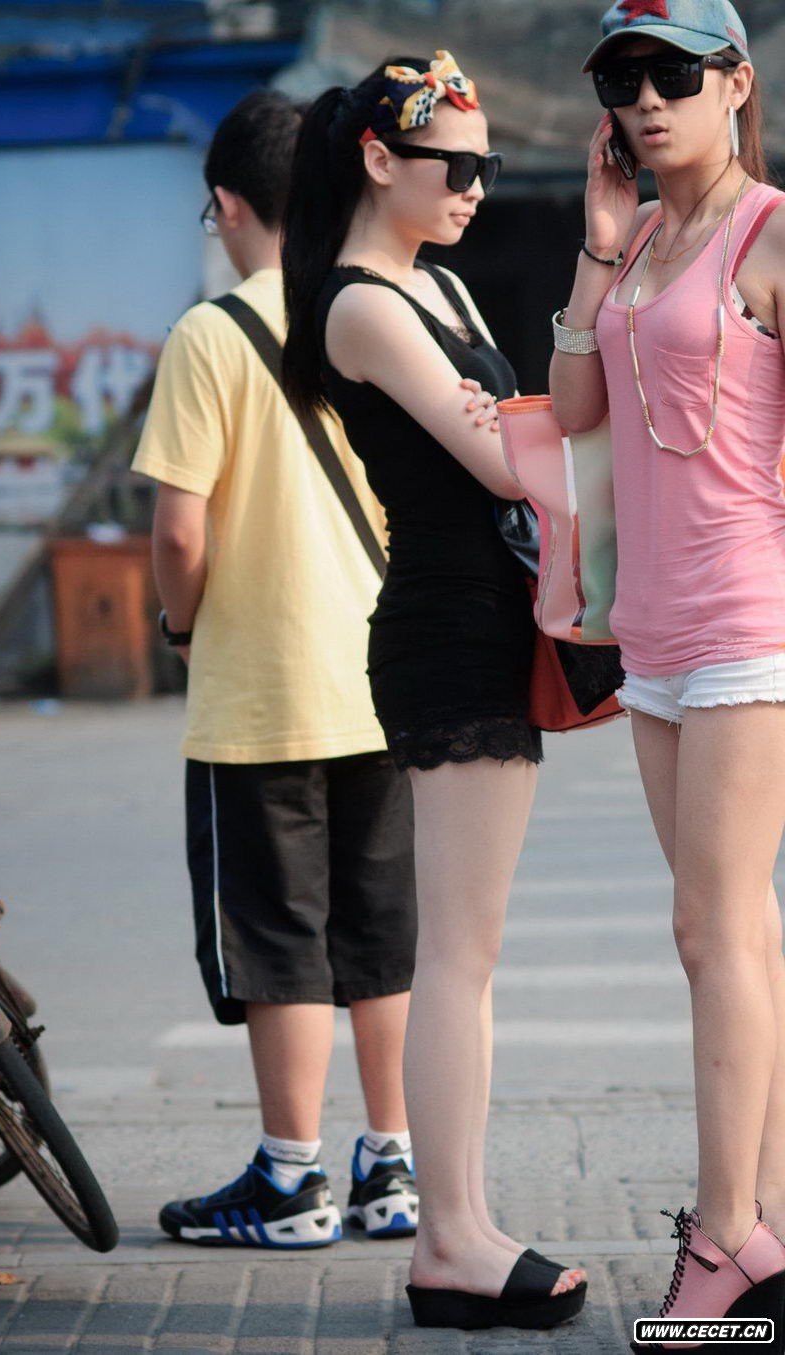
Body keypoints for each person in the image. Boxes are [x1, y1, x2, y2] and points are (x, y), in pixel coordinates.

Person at [281, 52, 587, 1330]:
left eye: (484, 166)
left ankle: (463, 1221)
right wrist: (510, 422)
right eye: (452, 164)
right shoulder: (358, 304)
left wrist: (513, 417)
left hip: (486, 622)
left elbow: (523, 425)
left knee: (472, 949)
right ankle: (448, 1238)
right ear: (375, 158)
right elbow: (508, 459)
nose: (473, 186)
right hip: (442, 632)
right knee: (454, 953)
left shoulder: (439, 284)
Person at [131, 89, 420, 1250]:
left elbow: (178, 533)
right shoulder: (377, 308)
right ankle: (391, 1162)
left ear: (230, 204)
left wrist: (181, 626)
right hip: (384, 677)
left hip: (259, 693)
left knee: (277, 935)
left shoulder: (209, 335)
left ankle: (290, 1178)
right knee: (380, 930)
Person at [550, 0, 785, 1344]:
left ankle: (723, 1234)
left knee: (713, 928)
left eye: (673, 73)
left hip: (752, 619)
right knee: (740, 932)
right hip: (652, 628)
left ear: (735, 83)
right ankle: (771, 1219)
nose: (643, 99)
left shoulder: (771, 233)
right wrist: (596, 248)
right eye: (620, 77)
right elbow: (574, 408)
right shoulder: (638, 239)